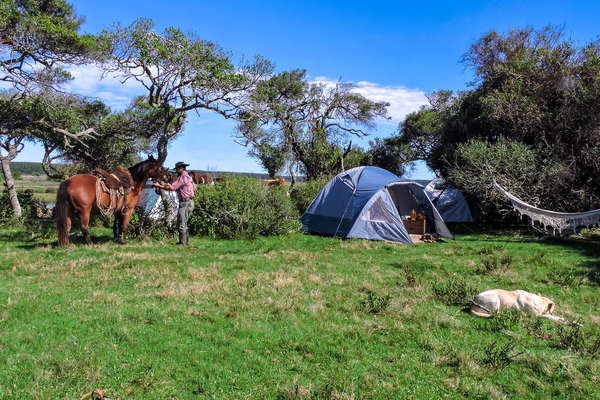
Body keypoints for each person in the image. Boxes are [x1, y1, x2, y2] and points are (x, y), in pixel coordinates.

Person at [153, 161, 195, 245]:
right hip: (191, 202)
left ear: (181, 168)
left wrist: (159, 186)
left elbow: (172, 188)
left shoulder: (182, 177)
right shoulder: (189, 177)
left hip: (184, 202)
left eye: (177, 169)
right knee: (185, 222)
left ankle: (182, 243)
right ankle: (186, 242)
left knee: (181, 222)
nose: (176, 171)